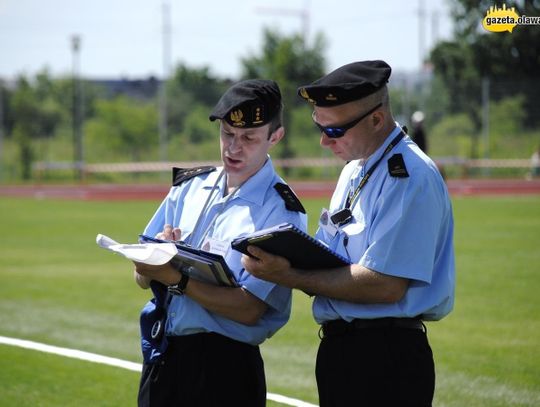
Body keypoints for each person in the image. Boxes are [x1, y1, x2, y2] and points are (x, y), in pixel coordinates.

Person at [242, 61, 455, 406]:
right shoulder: (354, 169)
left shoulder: (409, 176)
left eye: (336, 131)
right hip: (342, 350)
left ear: (376, 119)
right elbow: (335, 255)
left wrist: (291, 275)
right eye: (320, 127)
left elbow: (385, 284)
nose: (325, 142)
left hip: (386, 358)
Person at [133, 79, 307, 407]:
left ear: (275, 137)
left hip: (225, 369)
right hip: (163, 356)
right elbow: (141, 277)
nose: (233, 148)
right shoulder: (189, 187)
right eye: (227, 134)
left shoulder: (281, 211)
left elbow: (249, 309)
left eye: (248, 138)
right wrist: (153, 260)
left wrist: (177, 279)